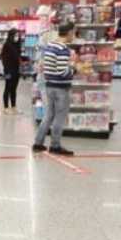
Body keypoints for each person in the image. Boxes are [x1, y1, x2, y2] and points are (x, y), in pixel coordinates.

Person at [33, 22, 76, 156]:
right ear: (69, 32)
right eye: (73, 32)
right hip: (61, 88)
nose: (73, 35)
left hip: (49, 85)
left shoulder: (50, 46)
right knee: (60, 117)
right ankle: (55, 145)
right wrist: (74, 67)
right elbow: (62, 72)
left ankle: (38, 143)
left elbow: (46, 66)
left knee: (49, 115)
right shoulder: (63, 49)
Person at [0, 28, 22, 113]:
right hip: (8, 70)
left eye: (18, 35)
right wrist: (7, 70)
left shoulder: (17, 45)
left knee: (14, 89)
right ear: (11, 36)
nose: (17, 37)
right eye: (15, 35)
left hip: (16, 70)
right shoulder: (7, 45)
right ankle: (5, 108)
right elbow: (4, 58)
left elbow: (17, 56)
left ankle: (14, 107)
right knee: (7, 87)